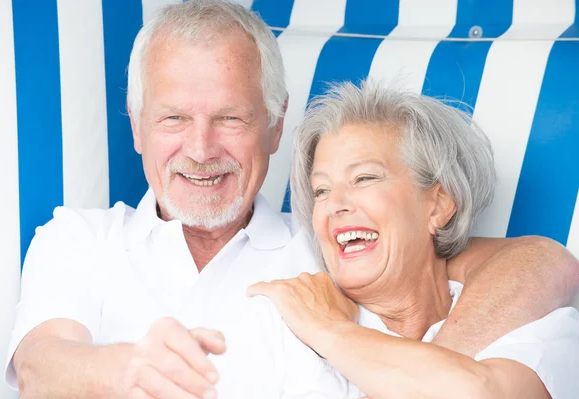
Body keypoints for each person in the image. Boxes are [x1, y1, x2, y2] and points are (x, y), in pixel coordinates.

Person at [6, 1, 578, 399]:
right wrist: (127, 371)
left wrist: (435, 364)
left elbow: (535, 263)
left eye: (230, 117)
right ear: (136, 127)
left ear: (275, 127)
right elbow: (40, 368)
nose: (201, 149)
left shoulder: (328, 252)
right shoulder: (77, 239)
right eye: (173, 118)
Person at [248, 79, 579, 399]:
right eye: (321, 190)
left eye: (363, 178)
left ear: (439, 205)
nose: (335, 205)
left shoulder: (533, 324)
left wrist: (331, 332)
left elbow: (479, 394)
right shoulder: (276, 318)